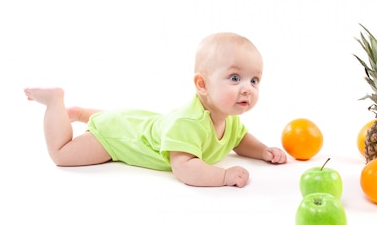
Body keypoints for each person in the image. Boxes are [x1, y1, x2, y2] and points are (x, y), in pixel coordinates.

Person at [24, 32, 287, 187]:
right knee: (62, 155)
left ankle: (82, 113)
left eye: (254, 80)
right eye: (234, 78)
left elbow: (240, 140)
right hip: (115, 139)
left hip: (135, 122)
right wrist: (224, 176)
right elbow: (183, 166)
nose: (247, 88)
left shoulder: (228, 119)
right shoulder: (189, 123)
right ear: (202, 84)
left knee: (125, 120)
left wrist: (262, 151)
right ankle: (54, 103)